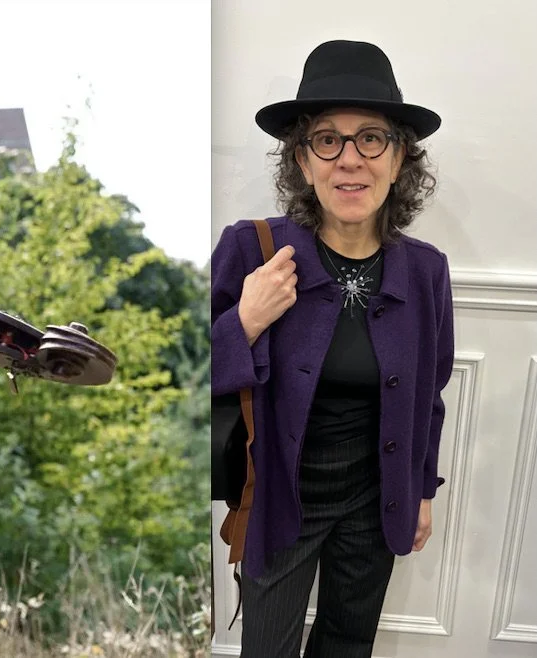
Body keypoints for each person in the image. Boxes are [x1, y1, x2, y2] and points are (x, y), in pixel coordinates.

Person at [210, 40, 455, 657]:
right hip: (280, 497)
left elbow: (430, 395)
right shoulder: (252, 250)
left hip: (376, 499)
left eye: (371, 138)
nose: (350, 160)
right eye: (328, 140)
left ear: (399, 160)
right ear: (303, 158)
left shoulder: (425, 271)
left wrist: (421, 490)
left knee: (348, 644)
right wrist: (243, 320)